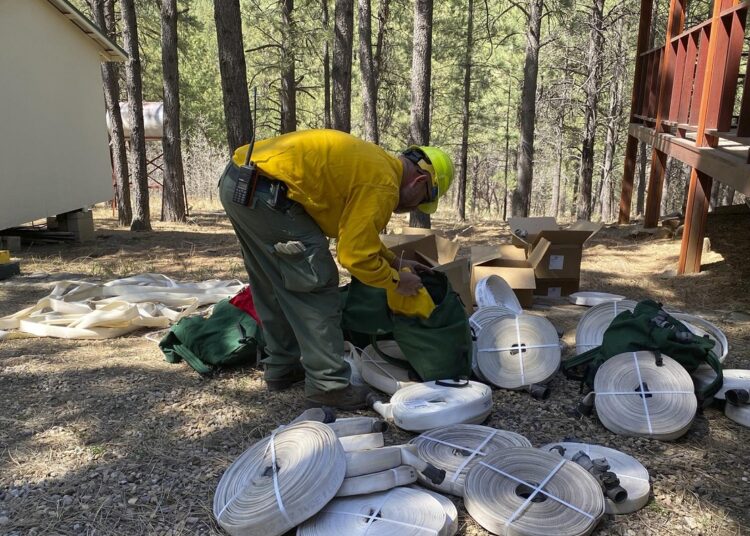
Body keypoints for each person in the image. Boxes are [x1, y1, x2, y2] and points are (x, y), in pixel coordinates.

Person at [219, 129, 454, 410]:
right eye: (421, 201)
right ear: (419, 181)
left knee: (271, 283)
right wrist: (396, 281)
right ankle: (328, 385)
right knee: (315, 283)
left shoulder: (377, 165)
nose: (409, 209)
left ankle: (282, 367)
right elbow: (355, 257)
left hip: (240, 183)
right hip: (267, 194)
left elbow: (355, 234)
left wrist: (395, 262)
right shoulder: (384, 184)